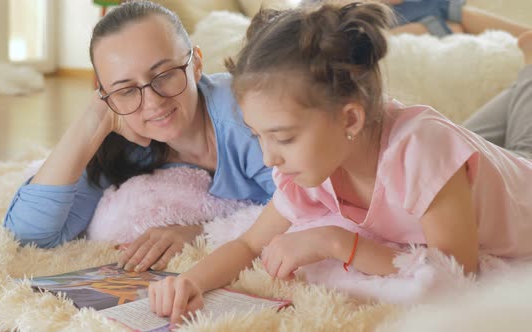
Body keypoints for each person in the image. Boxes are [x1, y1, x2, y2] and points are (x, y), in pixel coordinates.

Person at [147, 2, 532, 325]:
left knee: (515, 144)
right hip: (466, 166)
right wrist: (190, 281)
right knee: (470, 141)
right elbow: (249, 242)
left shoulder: (422, 150)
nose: (268, 158)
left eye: (283, 138)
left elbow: (456, 273)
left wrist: (334, 242)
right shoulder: (312, 167)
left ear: (349, 119)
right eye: (257, 135)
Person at [2, 1, 275, 273]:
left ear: (196, 64)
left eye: (165, 74)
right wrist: (92, 119)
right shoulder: (126, 137)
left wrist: (203, 233)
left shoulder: (248, 118)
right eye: (126, 89)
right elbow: (28, 237)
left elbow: (309, 208)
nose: (153, 102)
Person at [384, 0, 531, 37]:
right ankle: (526, 34)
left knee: (458, 16)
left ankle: (526, 34)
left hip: (423, 10)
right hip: (386, 23)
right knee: (455, 24)